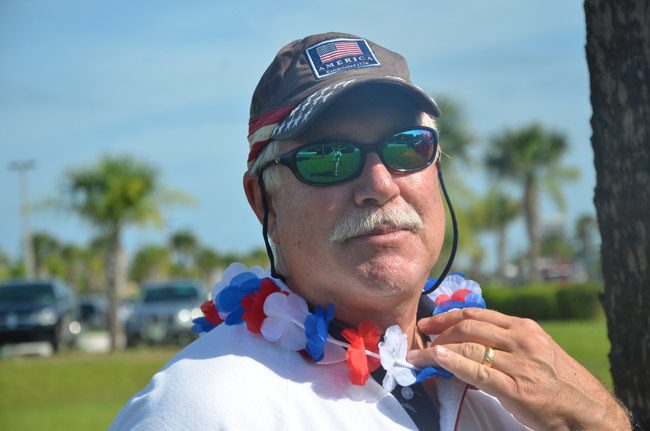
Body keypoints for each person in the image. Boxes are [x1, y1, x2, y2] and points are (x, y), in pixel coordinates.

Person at [110, 32, 632, 430]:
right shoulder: (203, 407)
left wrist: (598, 421)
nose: (380, 184)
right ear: (261, 199)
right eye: (328, 158)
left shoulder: (520, 380)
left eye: (407, 147)